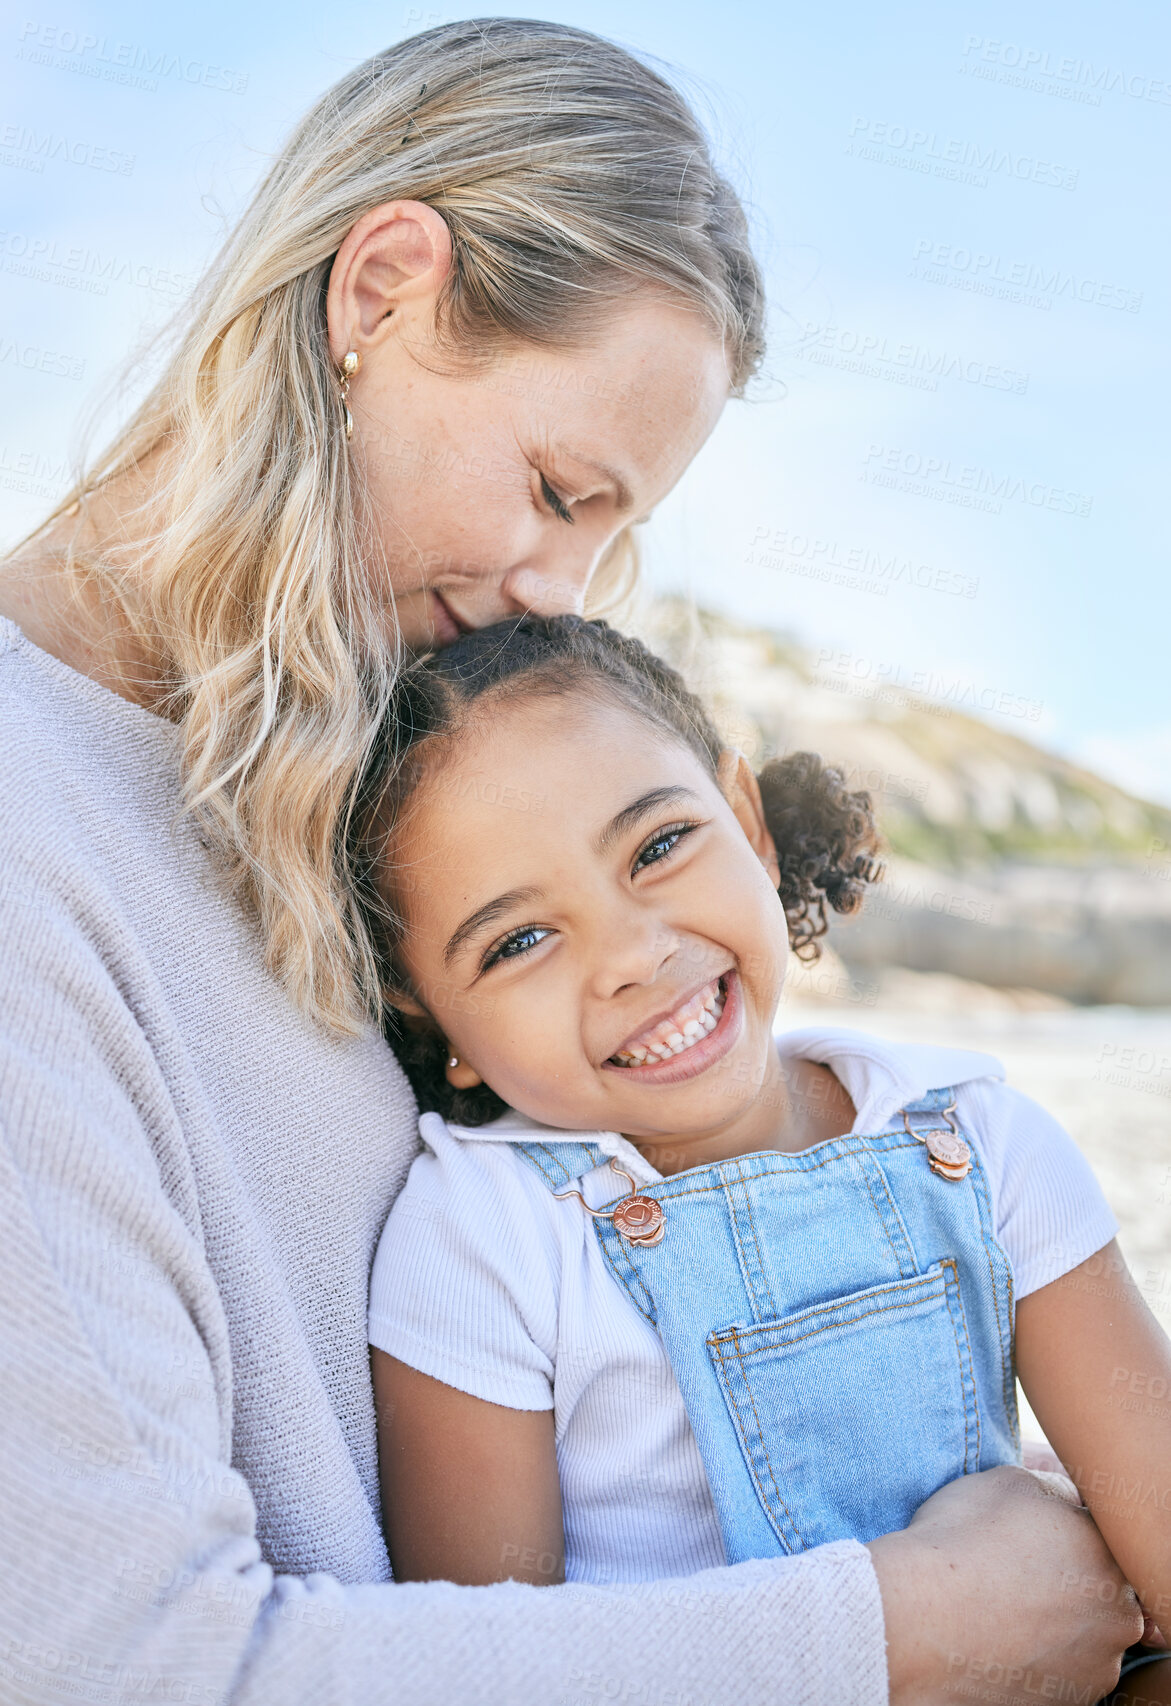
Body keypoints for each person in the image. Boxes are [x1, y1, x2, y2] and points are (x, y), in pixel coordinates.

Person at [0, 18, 1149, 1706]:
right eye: (554, 487)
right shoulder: (36, 828)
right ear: (377, 291)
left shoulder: (341, 798)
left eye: (611, 536)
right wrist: (896, 1636)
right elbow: (126, 1661)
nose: (558, 591)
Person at [359, 615, 1171, 1645]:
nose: (632, 954)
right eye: (519, 939)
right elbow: (495, 1661)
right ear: (434, 1017)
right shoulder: (482, 1232)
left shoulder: (980, 1136)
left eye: (657, 846)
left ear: (748, 825)